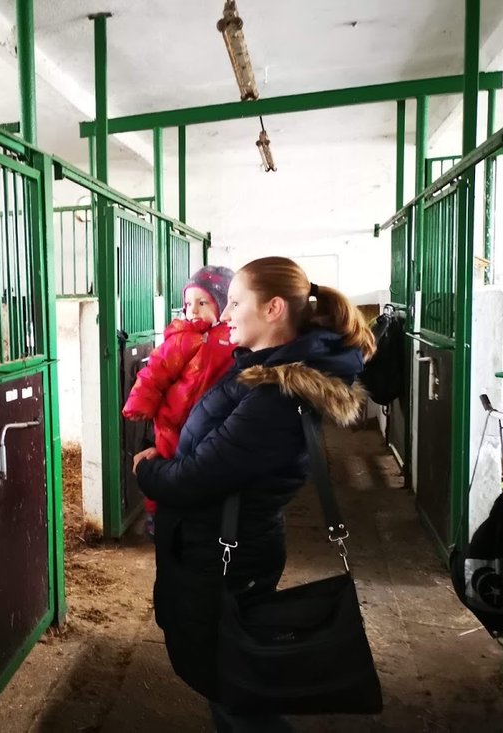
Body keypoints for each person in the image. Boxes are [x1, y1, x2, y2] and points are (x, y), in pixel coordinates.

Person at [132, 256, 375, 732]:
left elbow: (202, 475)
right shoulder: (263, 368)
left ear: (273, 309)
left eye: (236, 302)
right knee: (228, 676)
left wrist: (151, 471)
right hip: (223, 543)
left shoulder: (277, 394)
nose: (224, 314)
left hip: (227, 552)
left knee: (235, 688)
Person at [122, 265, 236, 537]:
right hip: (173, 420)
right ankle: (155, 514)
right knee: (165, 462)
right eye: (188, 303)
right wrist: (140, 403)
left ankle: (196, 517)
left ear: (224, 305)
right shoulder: (182, 337)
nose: (193, 310)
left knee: (198, 469)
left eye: (202, 302)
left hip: (209, 420)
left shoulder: (234, 337)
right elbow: (154, 373)